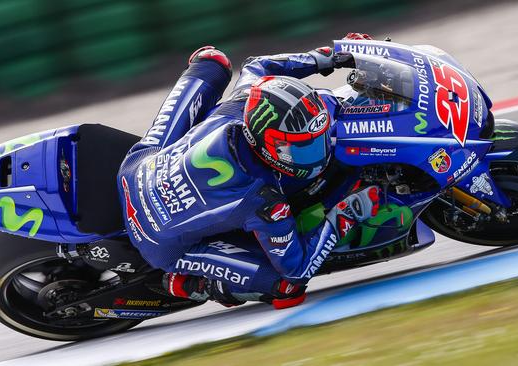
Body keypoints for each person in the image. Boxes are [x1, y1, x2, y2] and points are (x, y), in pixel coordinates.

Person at [117, 34, 380, 309]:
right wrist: (346, 215)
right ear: (265, 145)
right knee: (288, 288)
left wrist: (328, 56)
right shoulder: (263, 196)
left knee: (212, 60)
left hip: (139, 166)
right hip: (159, 240)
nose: (317, 156)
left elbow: (258, 65)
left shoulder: (243, 103)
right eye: (300, 149)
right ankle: (193, 284)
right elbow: (297, 268)